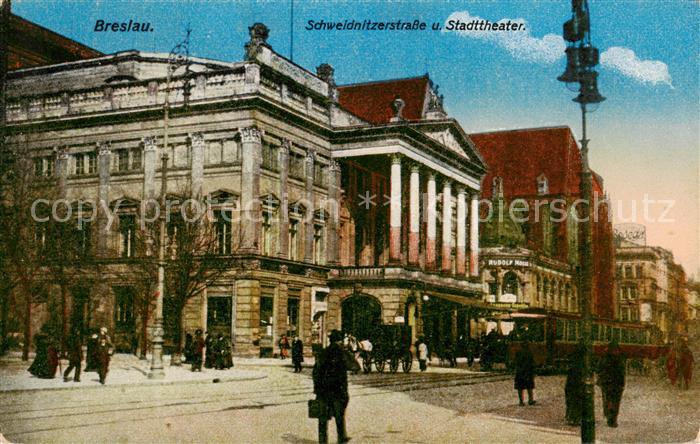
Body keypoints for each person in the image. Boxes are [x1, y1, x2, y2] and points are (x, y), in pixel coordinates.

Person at [312, 329, 350, 444]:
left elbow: (316, 372)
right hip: (338, 390)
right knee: (339, 417)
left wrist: (317, 388)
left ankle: (323, 442)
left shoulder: (323, 352)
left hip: (323, 391)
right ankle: (341, 439)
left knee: (322, 419)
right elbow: (355, 366)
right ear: (339, 341)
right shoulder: (342, 353)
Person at [597, 340, 626, 427]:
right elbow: (622, 371)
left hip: (607, 383)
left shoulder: (605, 356)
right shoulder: (620, 357)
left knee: (608, 400)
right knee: (615, 402)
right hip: (617, 384)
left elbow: (599, 368)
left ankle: (609, 416)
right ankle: (613, 419)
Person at [564, 344, 585, 425]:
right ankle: (575, 418)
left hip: (571, 384)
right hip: (577, 384)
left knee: (571, 401)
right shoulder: (582, 364)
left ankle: (570, 416)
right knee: (578, 401)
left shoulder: (573, 364)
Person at [514, 340, 536, 406]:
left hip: (520, 372)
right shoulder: (529, 353)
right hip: (528, 372)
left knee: (520, 388)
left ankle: (521, 401)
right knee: (529, 387)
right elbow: (532, 363)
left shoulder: (518, 352)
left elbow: (516, 361)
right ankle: (530, 400)